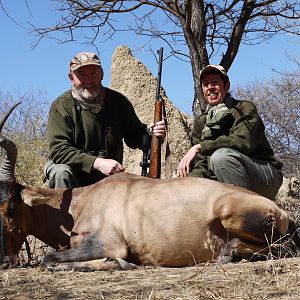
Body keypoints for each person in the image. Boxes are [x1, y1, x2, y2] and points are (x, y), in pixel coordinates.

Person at [44, 51, 165, 188]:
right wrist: (98, 163)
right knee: (61, 172)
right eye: (81, 75)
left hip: (108, 178)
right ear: (71, 78)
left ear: (102, 74)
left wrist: (152, 133)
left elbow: (135, 136)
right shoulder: (61, 107)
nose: (88, 80)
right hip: (74, 174)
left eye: (93, 73)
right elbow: (59, 151)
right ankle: (62, 210)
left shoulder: (118, 102)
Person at [177, 64, 283, 199]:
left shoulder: (243, 108)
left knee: (221, 158)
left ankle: (245, 214)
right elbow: (201, 165)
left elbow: (242, 142)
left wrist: (200, 147)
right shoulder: (202, 122)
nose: (210, 87)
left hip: (265, 176)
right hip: (224, 178)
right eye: (205, 84)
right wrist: (184, 186)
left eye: (215, 82)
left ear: (226, 86)